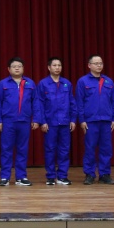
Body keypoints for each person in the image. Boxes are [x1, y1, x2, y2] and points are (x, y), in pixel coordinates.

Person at [0, 57, 40, 186]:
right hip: (8, 121)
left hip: (24, 121)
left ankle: (21, 177)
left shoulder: (30, 83)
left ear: (23, 69)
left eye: (19, 66)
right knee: (6, 149)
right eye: (14, 66)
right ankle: (5, 177)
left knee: (22, 149)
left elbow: (35, 102)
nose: (17, 68)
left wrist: (36, 119)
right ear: (8, 69)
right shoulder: (3, 84)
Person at [76, 54, 114, 185]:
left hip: (106, 120)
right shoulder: (83, 81)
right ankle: (89, 174)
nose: (99, 65)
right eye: (96, 63)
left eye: (101, 63)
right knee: (90, 148)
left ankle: (104, 174)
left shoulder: (108, 81)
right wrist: (82, 120)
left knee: (106, 148)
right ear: (89, 65)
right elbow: (79, 102)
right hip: (90, 121)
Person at [37, 57, 77, 185]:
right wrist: (43, 121)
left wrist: (73, 119)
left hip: (65, 122)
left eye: (59, 65)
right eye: (54, 65)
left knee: (64, 150)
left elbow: (72, 102)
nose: (57, 67)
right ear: (49, 67)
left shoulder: (67, 83)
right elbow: (39, 104)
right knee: (50, 150)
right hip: (50, 123)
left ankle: (62, 176)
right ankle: (50, 176)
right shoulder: (43, 84)